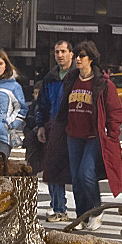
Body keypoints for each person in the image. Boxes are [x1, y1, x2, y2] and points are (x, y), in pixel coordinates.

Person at [53, 41, 122, 218]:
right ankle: (82, 216)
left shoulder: (103, 83)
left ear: (91, 59)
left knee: (86, 174)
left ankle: (95, 211)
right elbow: (62, 106)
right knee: (76, 179)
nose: (77, 59)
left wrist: (112, 135)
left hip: (94, 136)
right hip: (73, 135)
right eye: (76, 55)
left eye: (81, 56)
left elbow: (115, 110)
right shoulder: (71, 80)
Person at [36, 40, 74, 220]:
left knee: (81, 171)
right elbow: (42, 105)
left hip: (74, 128)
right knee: (52, 167)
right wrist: (41, 125)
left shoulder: (78, 75)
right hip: (53, 127)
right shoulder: (50, 78)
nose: (60, 55)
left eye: (63, 51)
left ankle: (87, 210)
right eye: (57, 52)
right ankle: (59, 207)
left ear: (71, 54)